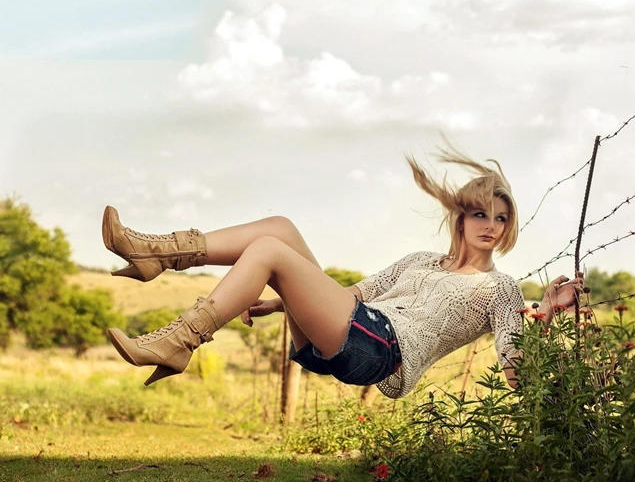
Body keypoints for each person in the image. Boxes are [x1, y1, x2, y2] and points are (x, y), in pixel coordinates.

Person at [104, 139, 585, 399]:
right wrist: (281, 302)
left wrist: (544, 314)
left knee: (270, 249)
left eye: (500, 218)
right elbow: (354, 294)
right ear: (461, 218)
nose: (491, 226)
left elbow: (513, 361)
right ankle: (157, 253)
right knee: (280, 228)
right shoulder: (420, 261)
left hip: (382, 351)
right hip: (345, 337)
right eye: (480, 214)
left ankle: (180, 341)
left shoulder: (500, 287)